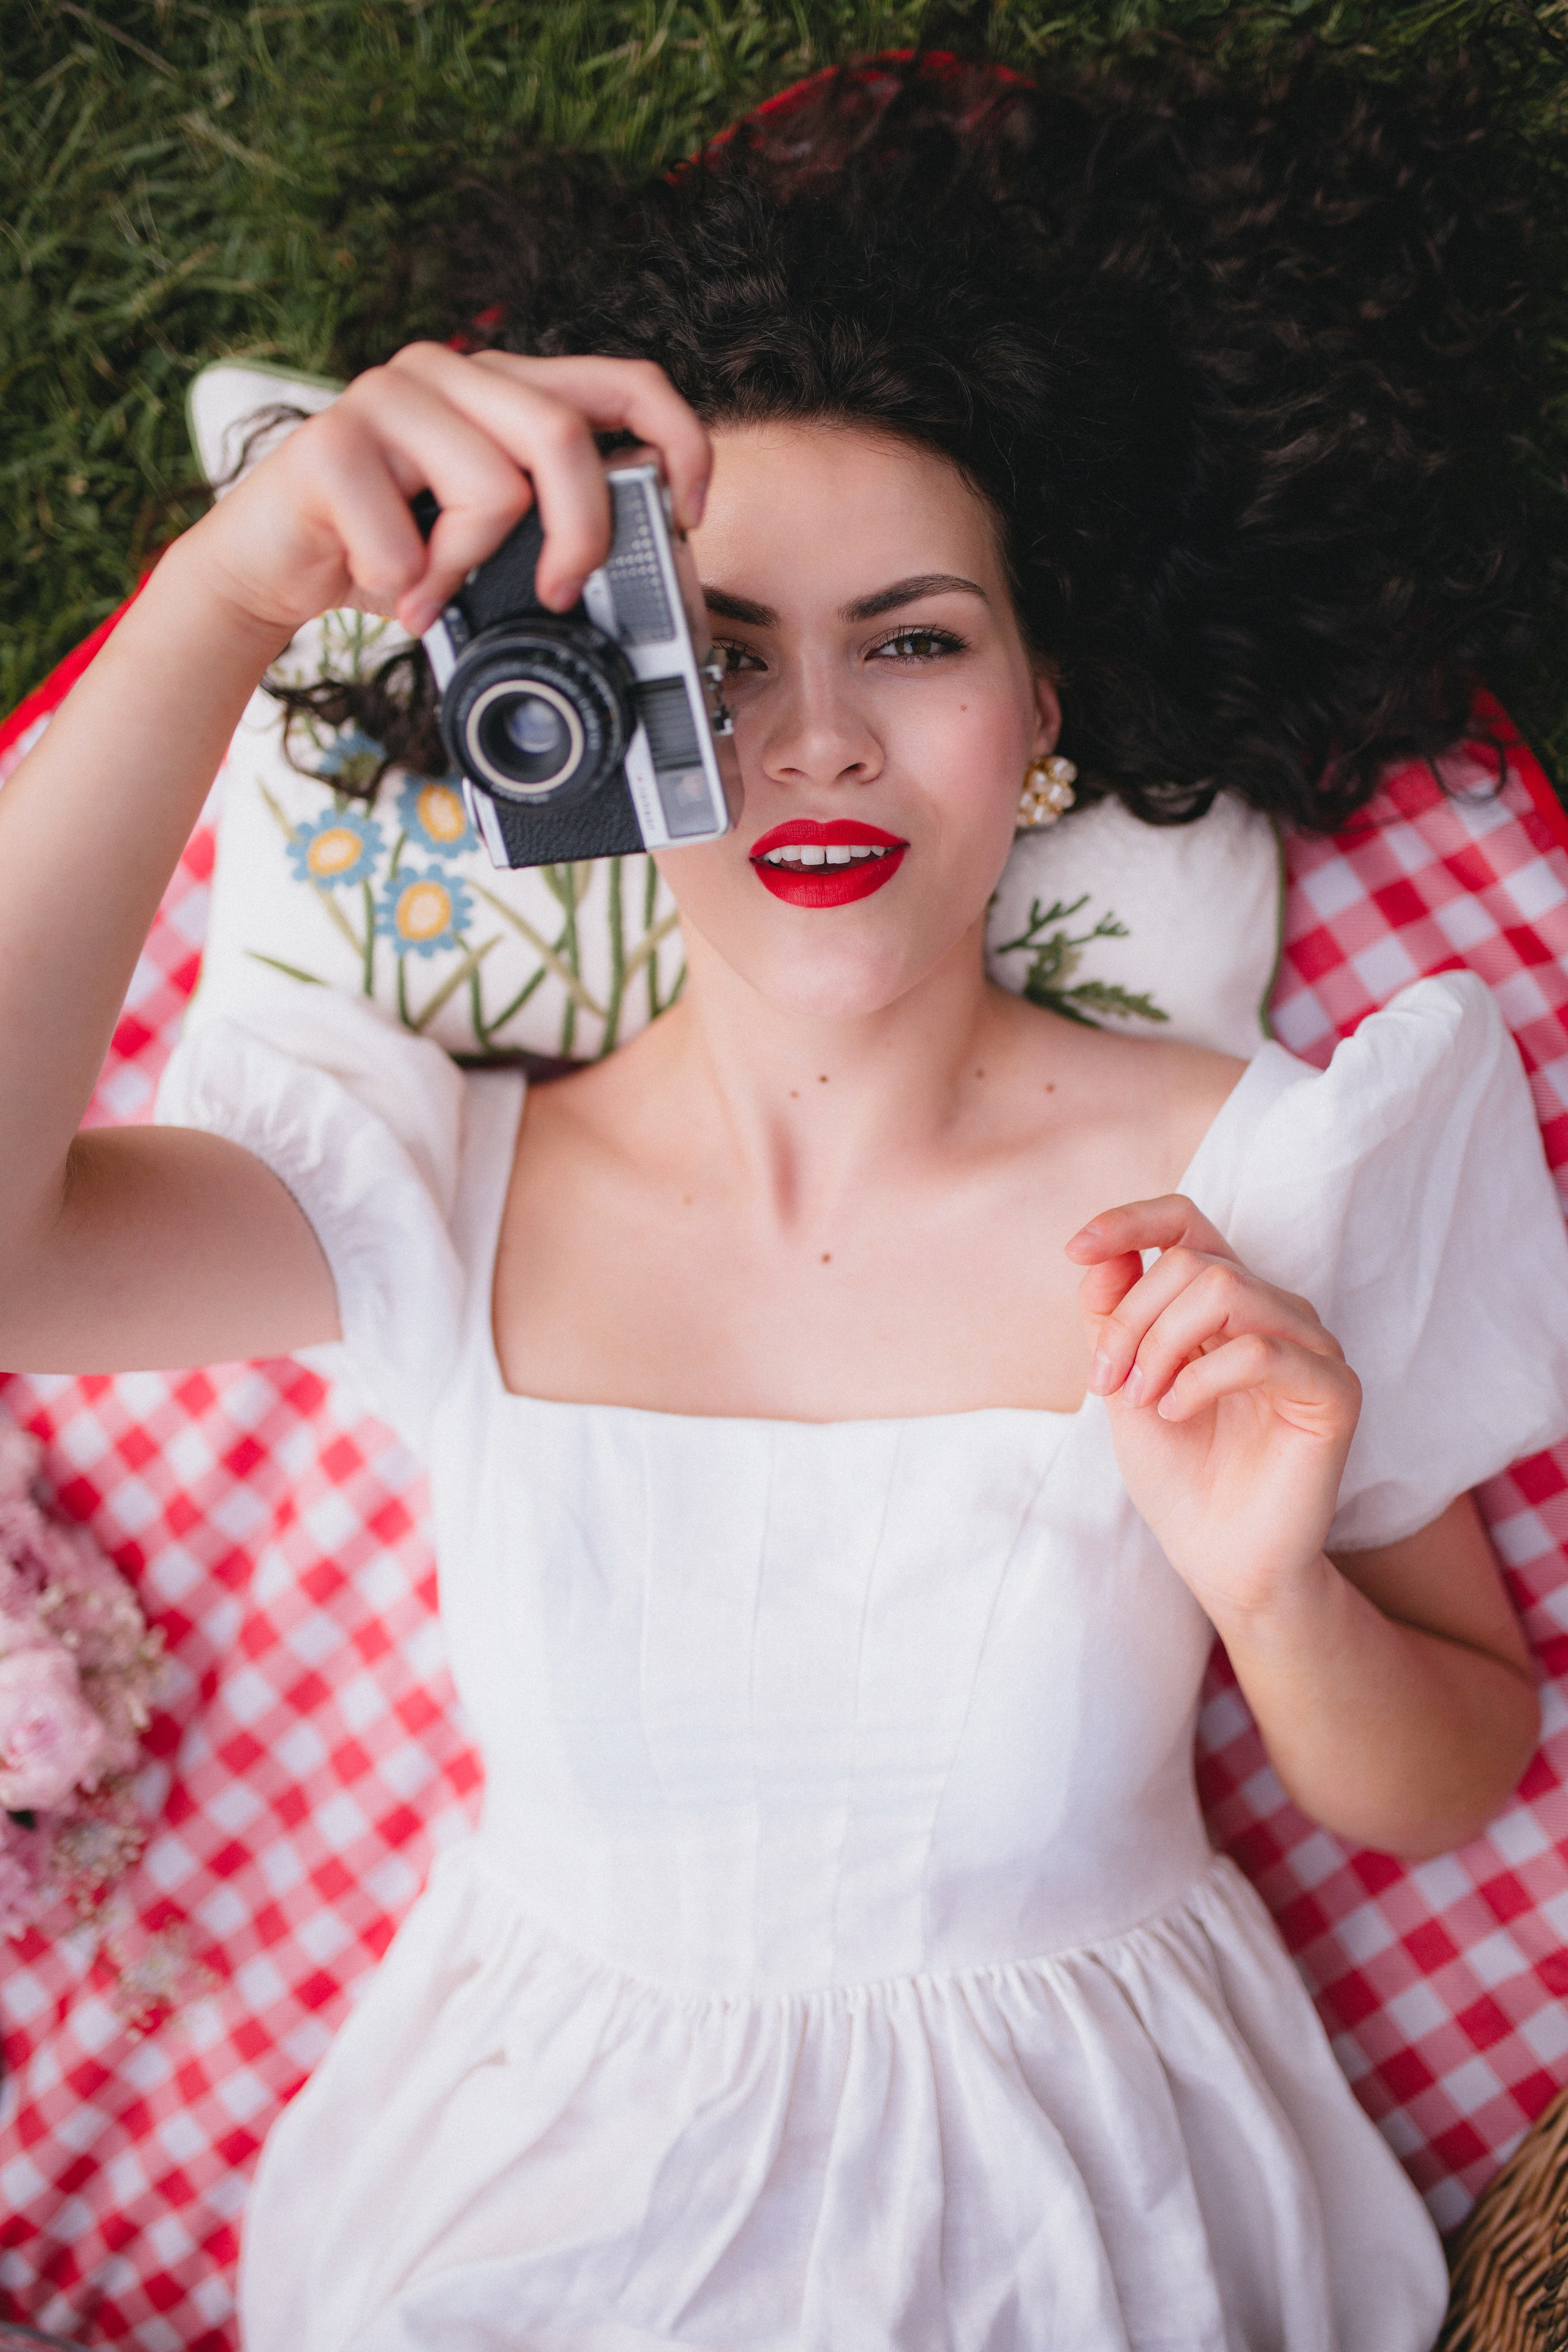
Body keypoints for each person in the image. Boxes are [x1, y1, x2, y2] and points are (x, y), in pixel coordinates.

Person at [4, 44, 1568, 2352]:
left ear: (1043, 708)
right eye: (717, 656)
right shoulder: (436, 1177)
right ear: (585, 711)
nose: (819, 735)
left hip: (1095, 2236)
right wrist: (236, 599)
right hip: (516, 2220)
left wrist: (1269, 1588)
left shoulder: (1261, 1173)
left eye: (914, 639)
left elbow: (1453, 1774)